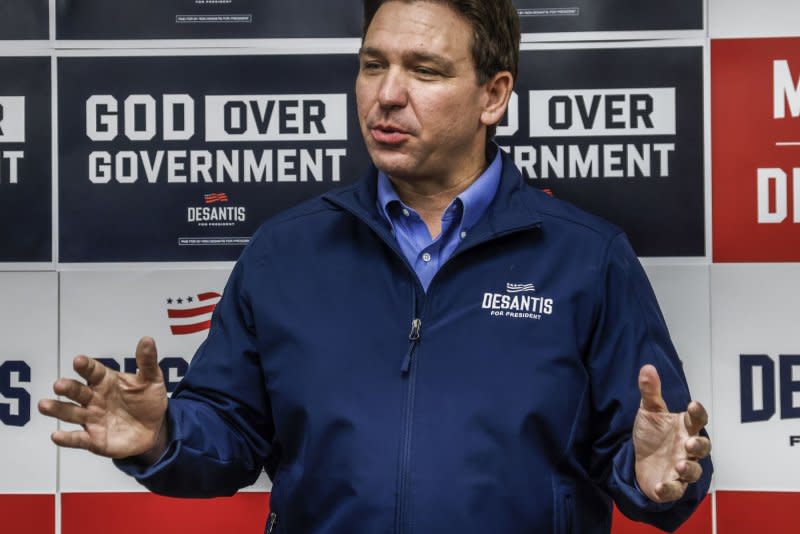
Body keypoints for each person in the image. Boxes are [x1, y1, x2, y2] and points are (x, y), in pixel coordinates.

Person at [39, 1, 712, 532]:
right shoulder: (286, 252)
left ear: (493, 95)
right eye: (371, 65)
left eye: (424, 70)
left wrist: (653, 472)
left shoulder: (587, 258)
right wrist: (161, 437)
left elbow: (655, 458)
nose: (386, 94)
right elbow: (231, 432)